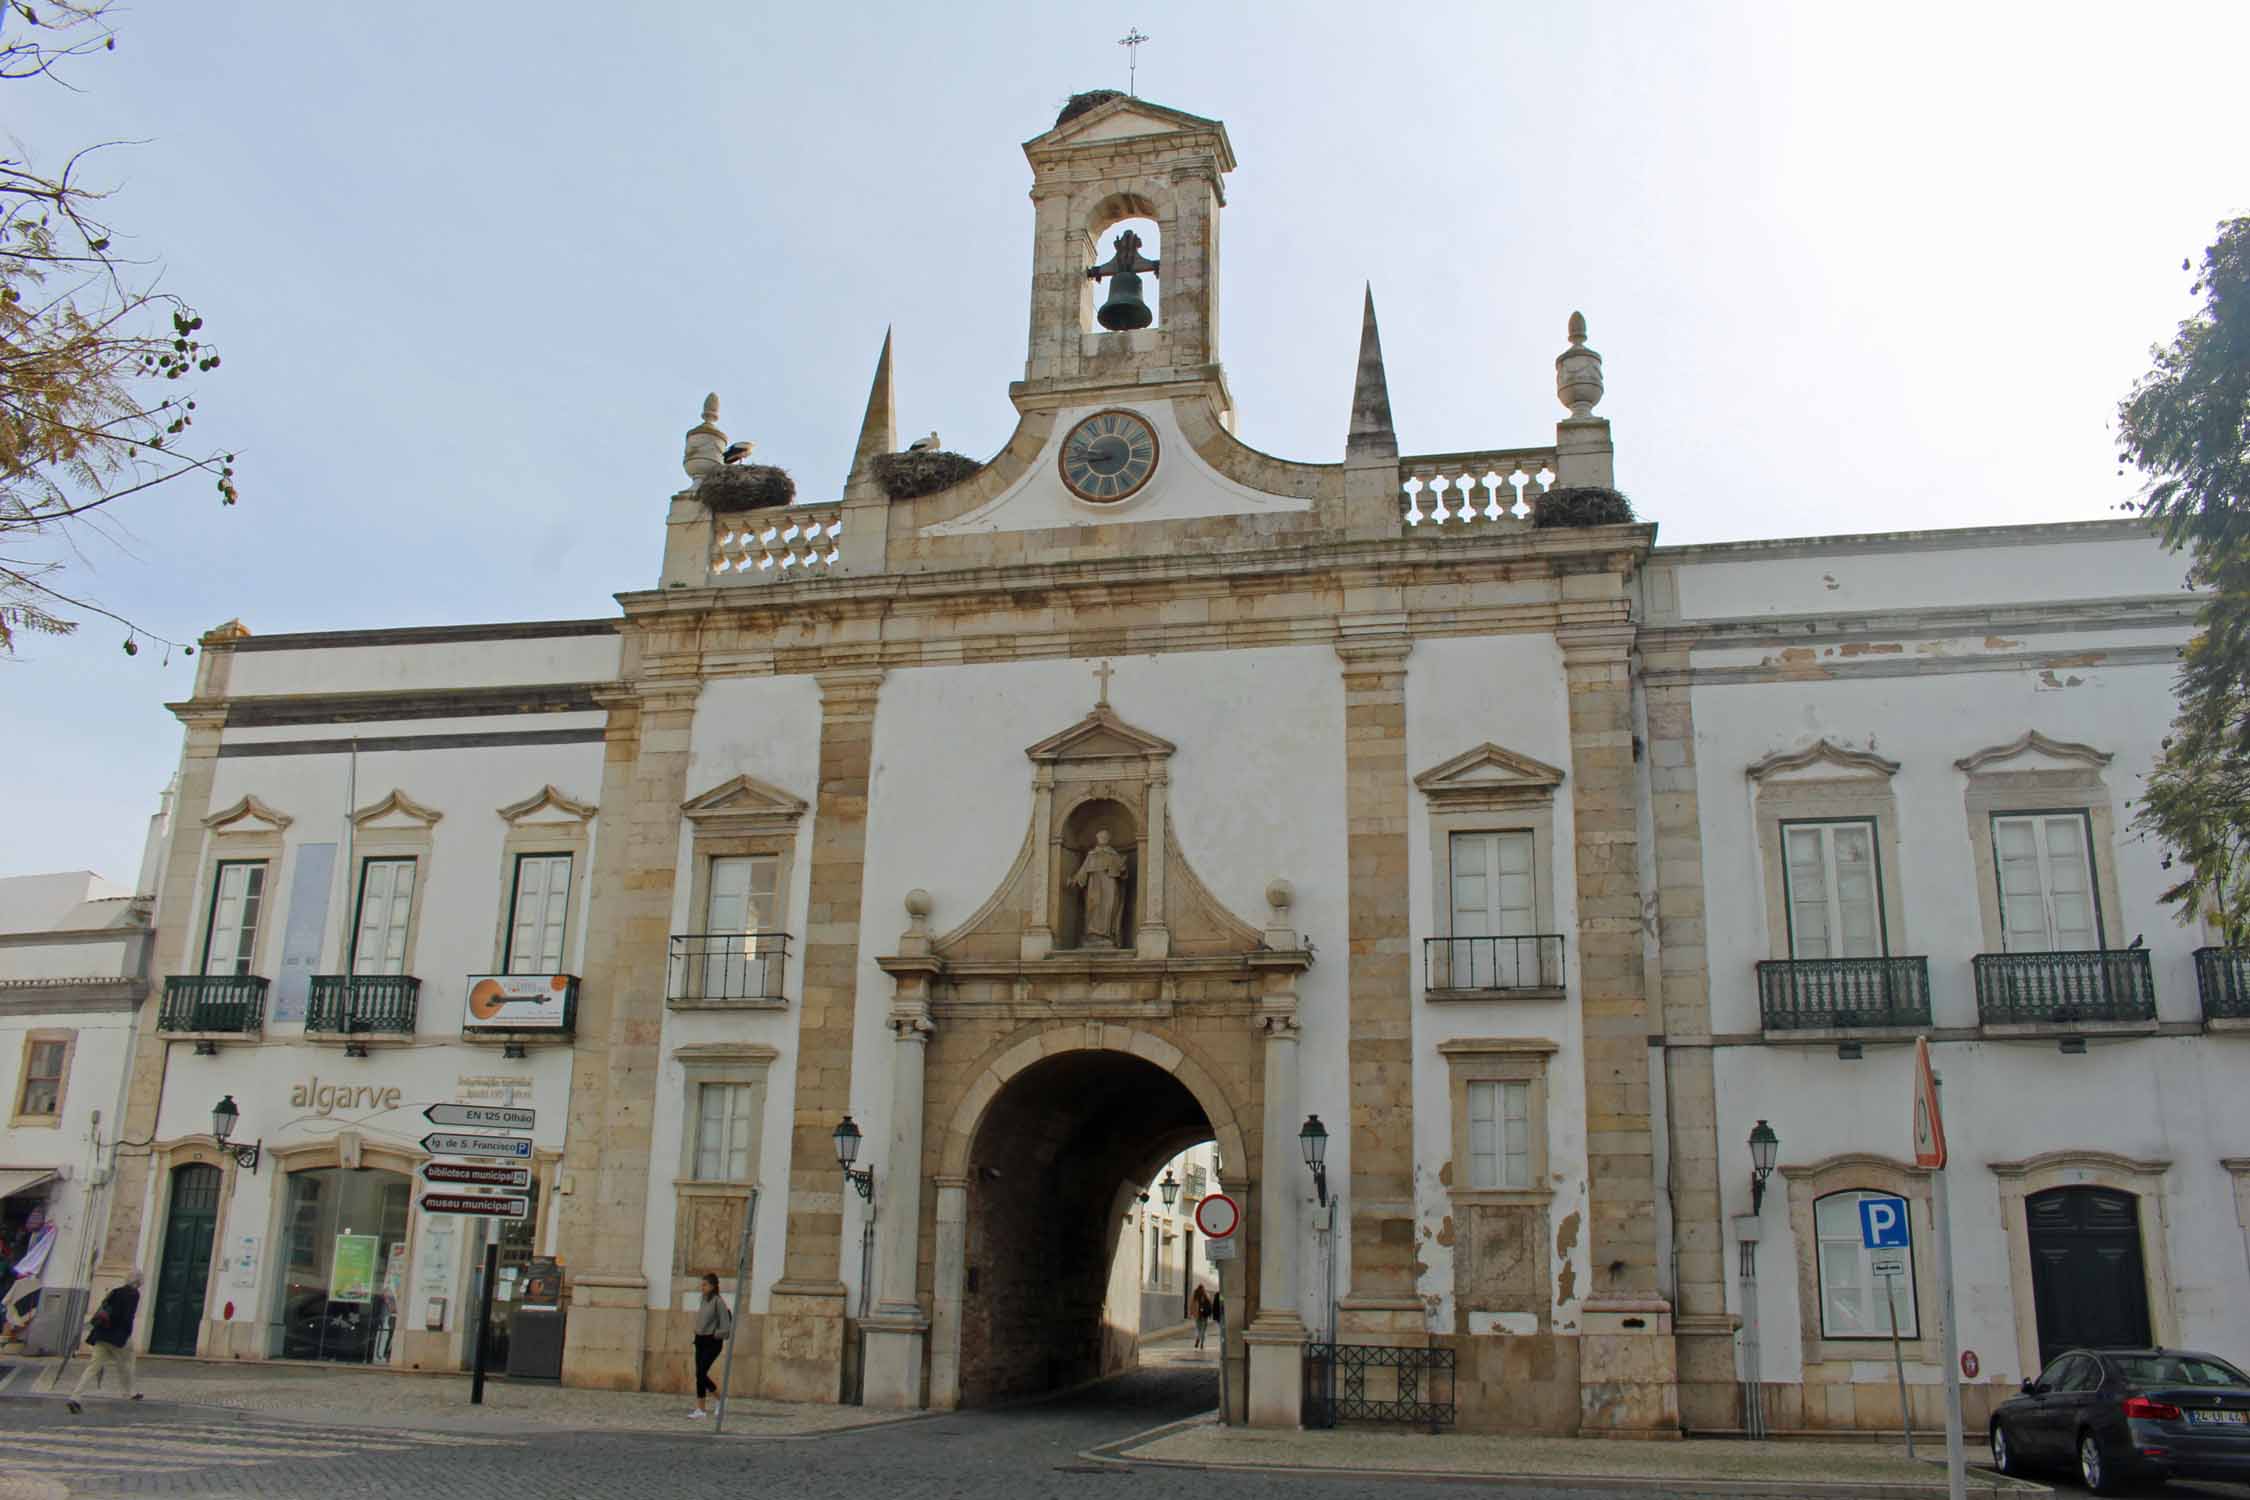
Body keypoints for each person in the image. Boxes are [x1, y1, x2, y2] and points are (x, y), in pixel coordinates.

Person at [67, 1270, 144, 1413]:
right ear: (138, 1282)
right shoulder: (134, 1294)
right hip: (118, 1335)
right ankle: (131, 1392)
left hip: (101, 1334)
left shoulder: (115, 1291)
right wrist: (127, 1333)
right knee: (128, 1361)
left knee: (92, 1367)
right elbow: (128, 1317)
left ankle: (75, 1396)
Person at [688, 1272, 732, 1419]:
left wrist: (715, 1334)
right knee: (699, 1375)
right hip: (700, 1340)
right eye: (702, 1284)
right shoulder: (703, 1300)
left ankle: (720, 1399)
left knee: (701, 1373)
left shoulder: (718, 1301)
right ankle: (700, 1409)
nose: (702, 1287)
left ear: (712, 1286)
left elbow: (726, 1325)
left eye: (705, 1284)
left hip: (712, 1343)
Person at [1191, 1285, 1212, 1349]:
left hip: (1197, 1316)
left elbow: (1191, 1305)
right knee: (1203, 1330)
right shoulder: (1205, 1296)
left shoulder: (1195, 1296)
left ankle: (1198, 1338)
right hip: (1204, 1316)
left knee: (1198, 1329)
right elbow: (1210, 1306)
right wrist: (1210, 1314)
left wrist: (1192, 1313)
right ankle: (1202, 1344)